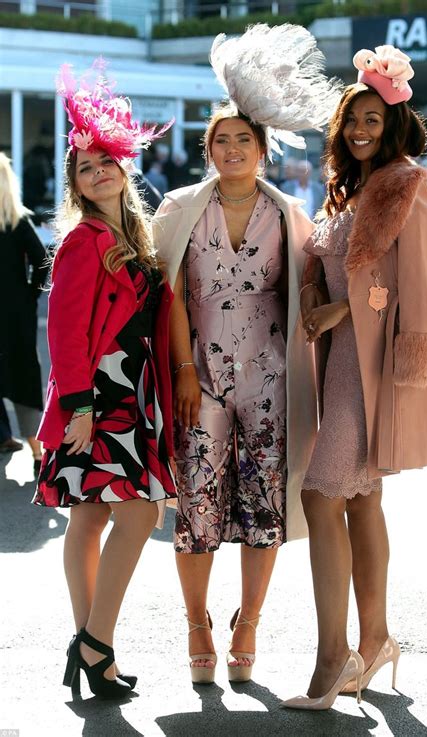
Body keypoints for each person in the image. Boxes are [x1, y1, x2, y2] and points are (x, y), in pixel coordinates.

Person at [282, 44, 427, 711]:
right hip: (339, 365)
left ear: (393, 125)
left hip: (373, 370)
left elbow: (423, 286)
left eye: (373, 119)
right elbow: (333, 263)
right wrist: (316, 298)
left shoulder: (407, 188)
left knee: (320, 495)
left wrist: (348, 310)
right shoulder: (352, 188)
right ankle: (379, 637)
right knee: (359, 501)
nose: (361, 129)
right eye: (352, 120)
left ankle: (335, 657)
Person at [153, 23, 339, 685]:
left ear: (262, 148)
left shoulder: (292, 213)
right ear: (207, 149)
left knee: (266, 510)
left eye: (242, 140)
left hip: (270, 384)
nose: (231, 149)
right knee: (198, 508)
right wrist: (179, 372)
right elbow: (167, 296)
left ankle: (249, 622)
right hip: (197, 380)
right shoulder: (178, 208)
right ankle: (198, 621)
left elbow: (314, 288)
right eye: (220, 141)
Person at [32, 60, 176, 699]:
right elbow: (62, 333)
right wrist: (79, 406)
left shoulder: (132, 240)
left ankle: (92, 653)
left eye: (104, 161)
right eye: (84, 167)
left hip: (132, 392)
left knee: (90, 517)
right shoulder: (83, 241)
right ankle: (95, 642)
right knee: (140, 511)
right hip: (99, 395)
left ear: (123, 165)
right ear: (76, 185)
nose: (97, 172)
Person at [0, 152, 47, 470]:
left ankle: (14, 438)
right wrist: (30, 293)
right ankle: (36, 449)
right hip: (16, 311)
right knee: (24, 374)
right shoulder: (17, 221)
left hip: (16, 309)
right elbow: (42, 258)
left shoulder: (17, 220)